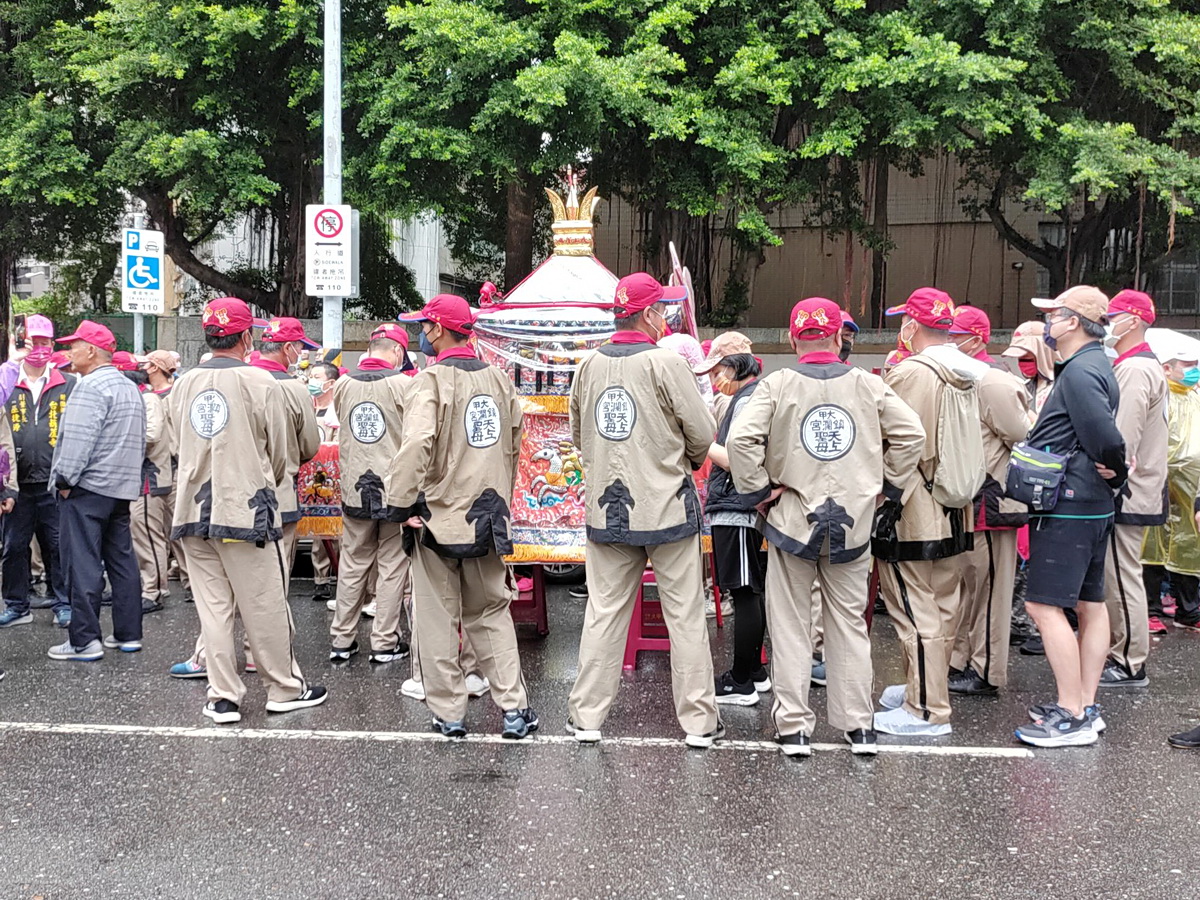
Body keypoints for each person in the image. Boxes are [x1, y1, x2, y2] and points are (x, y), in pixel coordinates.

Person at [728, 297, 925, 756]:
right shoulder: (868, 385)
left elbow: (741, 439)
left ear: (794, 338)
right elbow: (911, 435)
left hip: (792, 521)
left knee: (792, 626)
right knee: (850, 625)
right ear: (839, 337)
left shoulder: (776, 385)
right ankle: (859, 727)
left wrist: (759, 492)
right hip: (853, 524)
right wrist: (885, 489)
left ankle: (794, 728)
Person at [564, 273, 721, 749]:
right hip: (667, 507)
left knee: (604, 613)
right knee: (685, 616)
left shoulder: (587, 364)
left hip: (606, 509)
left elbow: (578, 434)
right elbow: (702, 432)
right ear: (651, 315)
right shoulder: (666, 362)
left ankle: (586, 718)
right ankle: (698, 723)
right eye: (663, 311)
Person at [170, 297, 326, 723]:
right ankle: (284, 687)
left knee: (213, 608)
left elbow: (174, 446)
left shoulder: (182, 384)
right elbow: (280, 455)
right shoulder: (261, 383)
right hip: (247, 510)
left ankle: (222, 694)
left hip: (192, 510)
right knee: (265, 602)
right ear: (245, 337)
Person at [389, 294, 537, 739]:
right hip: (488, 516)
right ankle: (513, 709)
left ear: (436, 329)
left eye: (424, 326)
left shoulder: (429, 382)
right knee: (490, 612)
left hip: (435, 517)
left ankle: (450, 714)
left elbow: (416, 447)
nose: (422, 334)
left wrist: (402, 505)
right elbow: (513, 445)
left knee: (437, 618)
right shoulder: (498, 380)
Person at [1016, 286, 1127, 748]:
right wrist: (1115, 471)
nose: (1048, 324)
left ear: (1076, 322)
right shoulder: (1096, 364)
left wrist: (1116, 464)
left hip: (1070, 499)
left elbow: (1103, 433)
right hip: (1090, 499)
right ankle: (1083, 704)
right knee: (1089, 603)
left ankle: (1071, 712)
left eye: (1055, 315)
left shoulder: (1081, 371)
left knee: (1042, 604)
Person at [873, 287, 986, 737]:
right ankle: (923, 687)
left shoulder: (912, 373)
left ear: (911, 326)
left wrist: (885, 494)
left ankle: (926, 708)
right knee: (941, 605)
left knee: (913, 607)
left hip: (914, 507)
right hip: (957, 503)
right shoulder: (966, 371)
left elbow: (897, 440)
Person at [47, 321, 145, 662]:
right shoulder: (128, 387)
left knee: (82, 563)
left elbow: (76, 442)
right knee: (122, 560)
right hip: (121, 487)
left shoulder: (88, 387)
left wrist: (62, 482)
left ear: (90, 349)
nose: (69, 352)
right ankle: (128, 634)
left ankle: (84, 640)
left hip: (87, 487)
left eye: (73, 345)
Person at [945, 306, 1031, 696]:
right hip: (964, 499)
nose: (949, 341)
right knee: (968, 588)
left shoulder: (993, 381)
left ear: (977, 338)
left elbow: (1021, 435)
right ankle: (961, 659)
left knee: (991, 592)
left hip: (991, 501)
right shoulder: (956, 376)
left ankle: (987, 670)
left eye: (956, 334)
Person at [694, 330, 771, 704]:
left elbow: (737, 458)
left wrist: (699, 442)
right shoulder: (749, 396)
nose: (713, 380)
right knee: (749, 590)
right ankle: (754, 673)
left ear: (734, 365)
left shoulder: (748, 400)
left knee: (743, 591)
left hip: (736, 504)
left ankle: (741, 680)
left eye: (717, 370)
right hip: (741, 504)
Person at [329, 323, 413, 664]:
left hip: (354, 489)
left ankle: (342, 639)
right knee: (393, 565)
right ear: (396, 351)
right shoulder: (404, 384)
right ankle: (384, 641)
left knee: (352, 562)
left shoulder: (342, 384)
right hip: (393, 491)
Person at [1098, 290, 1168, 687]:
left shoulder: (1136, 369)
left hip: (1128, 488)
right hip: (1138, 485)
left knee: (1122, 575)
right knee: (1123, 572)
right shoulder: (1138, 365)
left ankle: (1129, 660)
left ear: (1135, 320)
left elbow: (1121, 436)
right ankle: (1124, 652)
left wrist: (1109, 470)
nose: (1109, 322)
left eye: (1115, 315)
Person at [0, 315, 75, 629]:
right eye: (32, 341)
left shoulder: (67, 382)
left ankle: (64, 603)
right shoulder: (7, 381)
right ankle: (17, 605)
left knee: (57, 546)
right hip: (17, 484)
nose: (39, 348)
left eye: (44, 342)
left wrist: (69, 478)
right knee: (14, 547)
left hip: (53, 483)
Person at [253, 318, 321, 584]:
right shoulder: (294, 388)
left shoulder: (236, 379)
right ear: (288, 348)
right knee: (276, 571)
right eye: (300, 348)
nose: (300, 355)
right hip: (280, 492)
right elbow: (310, 445)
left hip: (230, 496)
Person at [1143, 338, 1200, 639]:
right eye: (1187, 366)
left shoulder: (1195, 396)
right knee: (1153, 542)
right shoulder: (1159, 396)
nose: (1193, 371)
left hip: (1192, 481)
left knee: (1189, 542)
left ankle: (1189, 611)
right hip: (1159, 477)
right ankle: (1151, 610)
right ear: (1167, 368)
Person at [129, 350, 177, 614]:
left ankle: (155, 588)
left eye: (147, 362)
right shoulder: (148, 396)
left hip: (160, 471)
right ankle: (154, 585)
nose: (142, 366)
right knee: (148, 531)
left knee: (157, 532)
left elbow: (154, 435)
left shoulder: (165, 396)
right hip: (154, 472)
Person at [307, 361, 340, 603]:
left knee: (334, 531)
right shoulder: (307, 408)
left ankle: (337, 576)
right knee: (315, 531)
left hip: (331, 476)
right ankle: (319, 578)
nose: (312, 381)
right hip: (308, 477)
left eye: (317, 376)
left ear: (330, 382)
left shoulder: (337, 411)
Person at [1001, 320, 1057, 414]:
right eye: (1019, 358)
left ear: (1044, 352)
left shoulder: (1065, 385)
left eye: (1026, 357)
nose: (1022, 361)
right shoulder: (1025, 386)